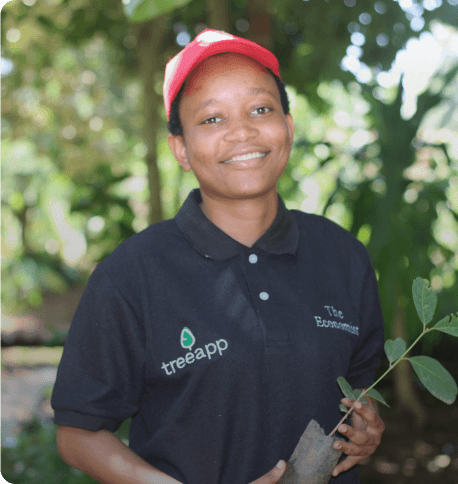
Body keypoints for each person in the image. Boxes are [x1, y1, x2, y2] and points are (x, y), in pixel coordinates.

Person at [51, 29, 386, 484]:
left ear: (288, 126)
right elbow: (77, 433)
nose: (242, 131)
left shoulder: (343, 255)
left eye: (261, 109)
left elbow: (359, 387)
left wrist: (366, 432)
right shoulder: (130, 276)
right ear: (181, 149)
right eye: (211, 119)